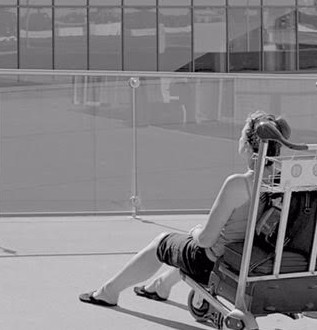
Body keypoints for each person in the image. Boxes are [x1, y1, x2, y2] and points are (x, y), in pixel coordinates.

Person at [79, 111, 285, 308]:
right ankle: (160, 287)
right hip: (256, 260)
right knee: (191, 247)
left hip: (216, 264)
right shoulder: (285, 182)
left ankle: (108, 292)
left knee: (163, 242)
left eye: (242, 136)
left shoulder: (239, 184)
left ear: (248, 147)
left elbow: (206, 241)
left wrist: (195, 232)